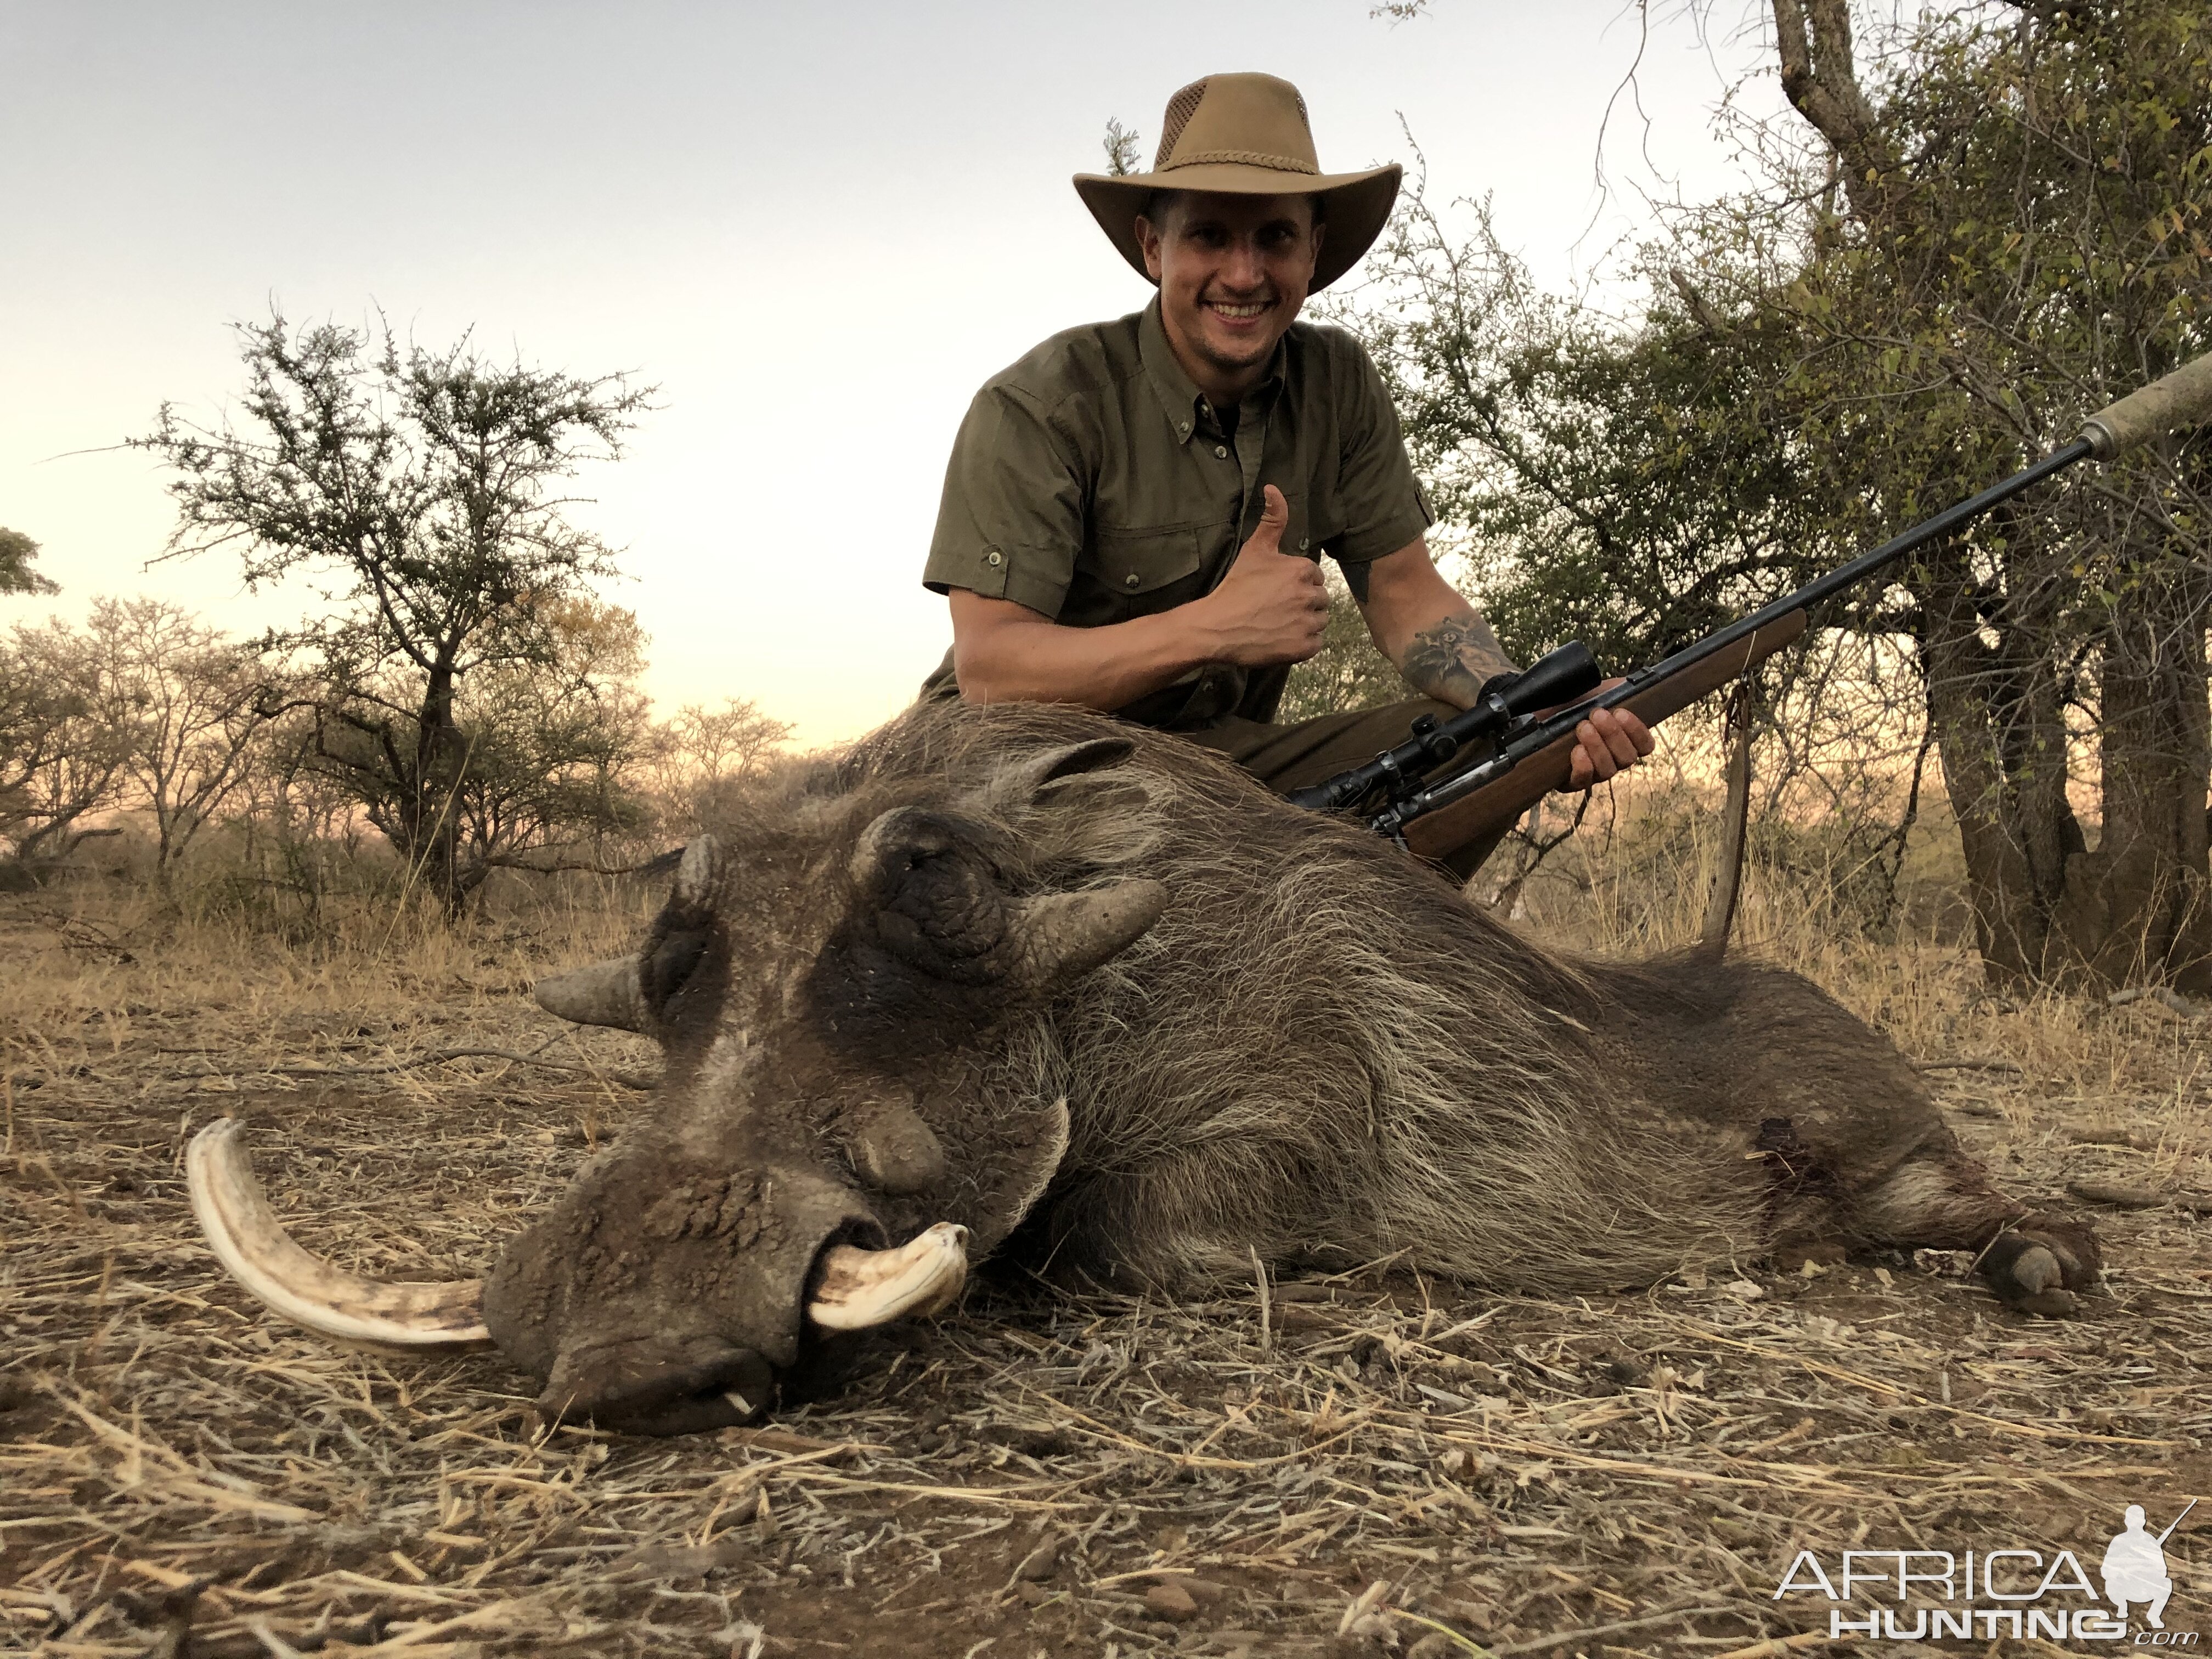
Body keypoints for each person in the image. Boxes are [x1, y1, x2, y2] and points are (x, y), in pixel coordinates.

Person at [919, 71, 1651, 876]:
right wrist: (1214, 629)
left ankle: (1353, 992)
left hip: (1212, 769)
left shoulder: (1338, 380)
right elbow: (992, 673)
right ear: (1152, 246)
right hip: (1013, 772)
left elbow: (1406, 596)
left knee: (1483, 755)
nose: (1243, 275)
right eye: (1208, 236)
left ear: (1311, 251)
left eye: (1273, 237)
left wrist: (1522, 705)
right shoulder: (1043, 404)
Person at [2102, 1505, 2175, 1629]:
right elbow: (2106, 1570)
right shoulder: (2119, 1541)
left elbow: (2162, 1571)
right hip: (2123, 1587)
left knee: (2166, 1584)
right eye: (2132, 1520)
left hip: (2145, 1589)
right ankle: (2122, 1606)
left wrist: (2145, 1569)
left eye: (2138, 1520)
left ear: (2144, 1522)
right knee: (2110, 1583)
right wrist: (2122, 1571)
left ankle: (2154, 1615)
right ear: (2126, 1522)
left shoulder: (2151, 1542)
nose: (2135, 1523)